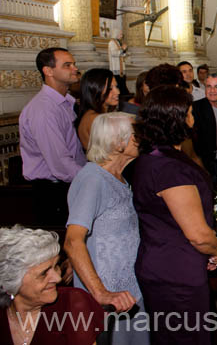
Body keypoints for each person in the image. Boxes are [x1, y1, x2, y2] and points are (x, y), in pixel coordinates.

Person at [131, 85, 217, 344]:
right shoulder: (169, 168)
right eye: (190, 112)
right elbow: (196, 234)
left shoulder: (155, 156)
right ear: (177, 118)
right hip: (176, 272)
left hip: (165, 265)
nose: (193, 117)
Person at [65, 112, 149, 345]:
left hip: (129, 291)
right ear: (118, 142)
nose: (142, 138)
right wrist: (101, 293)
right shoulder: (93, 178)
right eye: (136, 134)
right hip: (108, 297)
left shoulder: (119, 178)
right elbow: (73, 240)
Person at [0, 225, 105, 345]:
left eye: (56, 266)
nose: (58, 278)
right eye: (44, 273)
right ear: (11, 282)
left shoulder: (72, 303)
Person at [20, 47, 87, 226]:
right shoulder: (43, 109)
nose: (75, 69)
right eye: (67, 65)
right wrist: (93, 178)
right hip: (52, 190)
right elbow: (60, 163)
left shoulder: (64, 103)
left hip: (68, 184)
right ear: (48, 71)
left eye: (74, 64)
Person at [76, 68, 120, 151]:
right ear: (95, 90)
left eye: (116, 87)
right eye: (110, 89)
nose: (117, 92)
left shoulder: (93, 115)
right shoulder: (95, 119)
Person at [108, 30, 129, 95]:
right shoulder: (111, 42)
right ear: (116, 34)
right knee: (119, 85)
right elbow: (114, 53)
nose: (122, 36)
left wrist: (124, 52)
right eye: (120, 34)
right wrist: (122, 49)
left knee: (123, 84)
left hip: (121, 68)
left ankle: (125, 97)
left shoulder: (118, 42)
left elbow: (121, 54)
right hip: (116, 68)